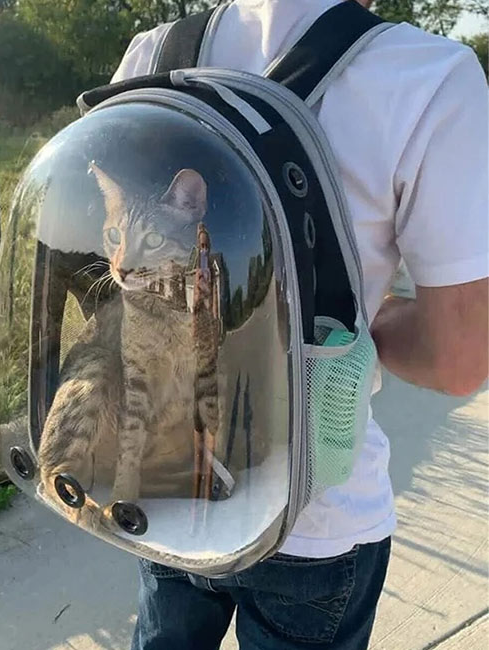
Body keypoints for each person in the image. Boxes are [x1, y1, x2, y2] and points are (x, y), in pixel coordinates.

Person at [110, 0, 489, 648]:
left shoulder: (151, 58)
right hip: (316, 518)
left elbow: (120, 263)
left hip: (172, 483)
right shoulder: (427, 77)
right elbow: (461, 361)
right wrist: (372, 316)